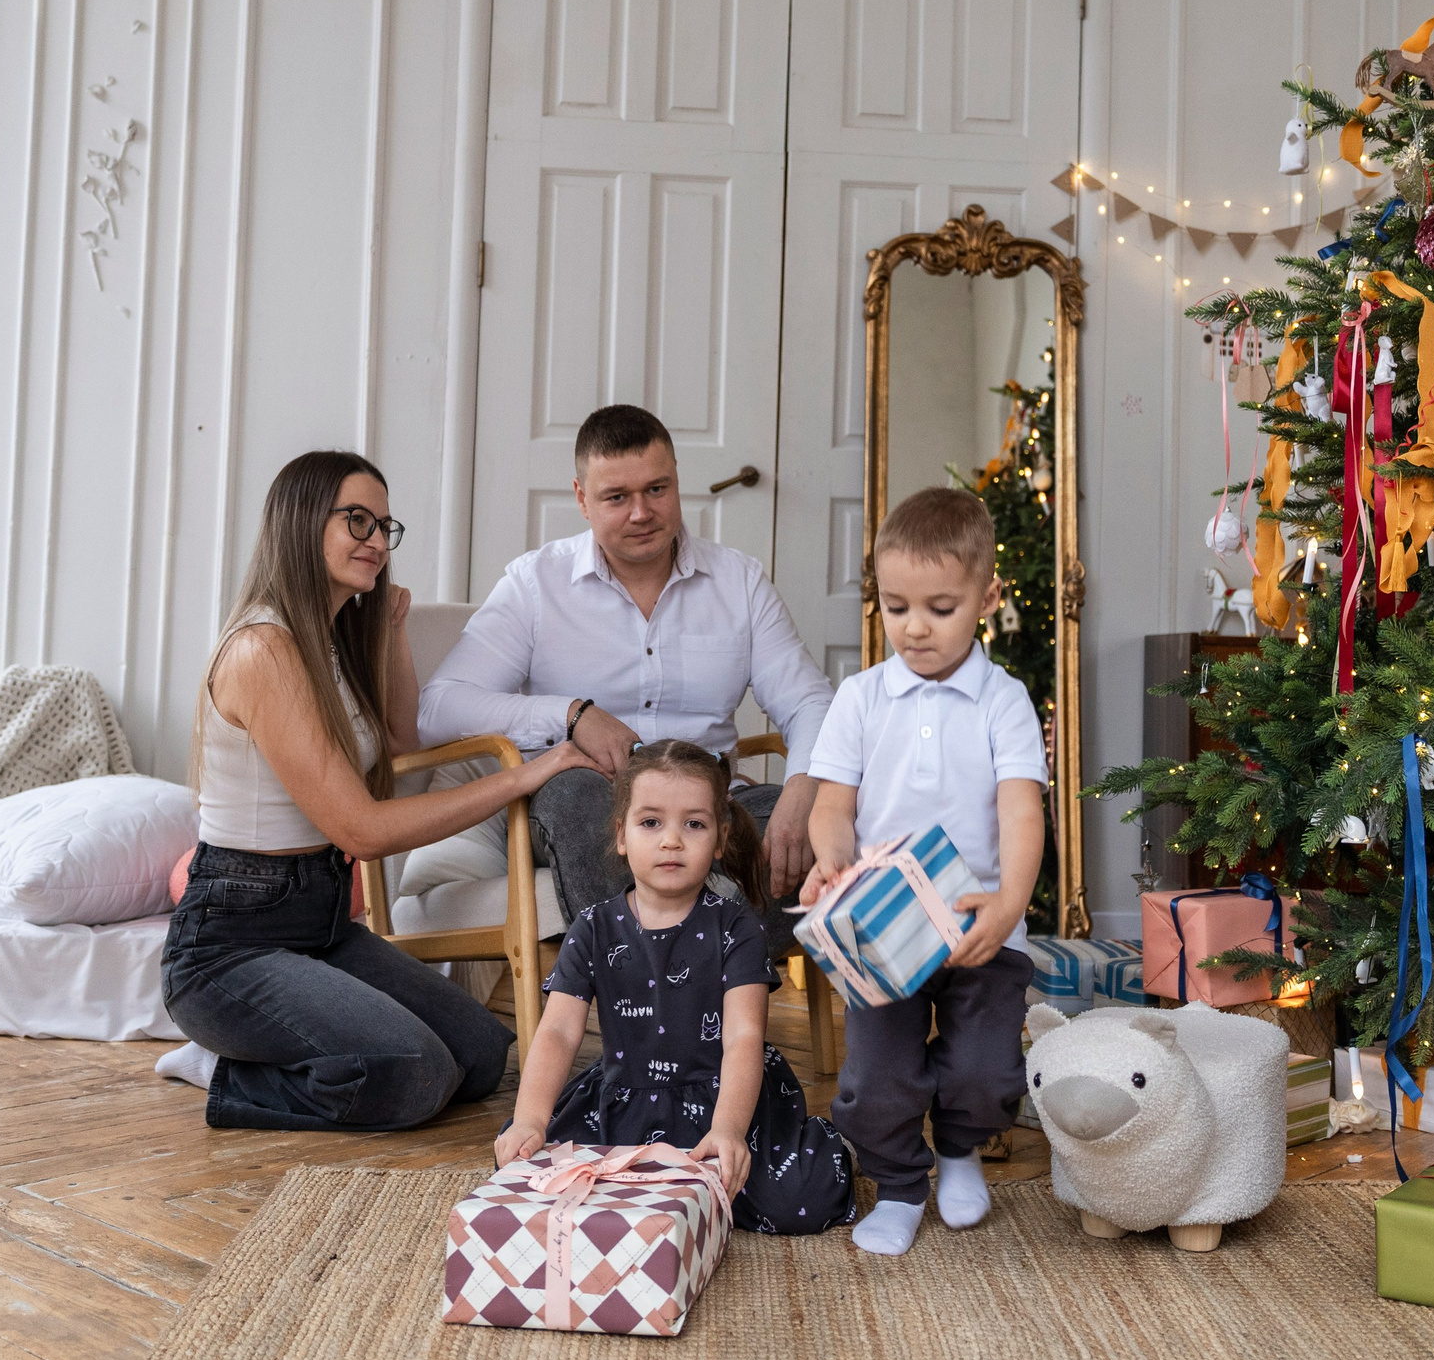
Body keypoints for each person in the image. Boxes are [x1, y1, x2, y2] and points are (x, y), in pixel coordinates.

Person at [158, 450, 604, 1131]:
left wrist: (391, 630)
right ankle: (223, 1067)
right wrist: (523, 775)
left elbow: (399, 743)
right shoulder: (264, 649)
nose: (376, 540)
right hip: (231, 943)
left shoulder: (329, 641)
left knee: (482, 1057)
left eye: (384, 526)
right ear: (303, 523)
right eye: (357, 520)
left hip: (320, 923)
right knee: (413, 1073)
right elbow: (362, 830)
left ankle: (283, 1046)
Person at [417, 405, 834, 943]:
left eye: (657, 489)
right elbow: (439, 707)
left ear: (677, 480)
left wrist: (803, 787)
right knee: (581, 804)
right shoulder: (535, 584)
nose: (641, 513)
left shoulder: (740, 582)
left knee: (820, 825)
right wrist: (571, 716)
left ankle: (661, 982)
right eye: (616, 497)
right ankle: (691, 978)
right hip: (588, 799)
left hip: (713, 802)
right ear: (581, 498)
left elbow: (810, 702)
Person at [798, 487, 1047, 1256]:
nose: (914, 626)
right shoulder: (860, 697)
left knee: (986, 1072)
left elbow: (1021, 811)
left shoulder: (1004, 701)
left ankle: (960, 1147)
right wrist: (831, 857)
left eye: (940, 607)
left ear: (987, 597)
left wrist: (1009, 904)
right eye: (896, 605)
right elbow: (832, 805)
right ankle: (901, 1183)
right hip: (885, 927)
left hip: (979, 922)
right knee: (875, 1078)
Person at [493, 740, 855, 1234]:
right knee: (531, 1167)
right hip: (622, 1101)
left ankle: (831, 1146)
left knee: (798, 1199)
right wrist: (530, 1119)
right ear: (621, 835)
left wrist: (729, 1130)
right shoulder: (593, 927)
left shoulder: (737, 928)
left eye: (694, 824)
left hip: (722, 1098)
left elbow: (743, 1037)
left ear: (720, 839)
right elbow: (557, 1032)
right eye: (650, 822)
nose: (671, 841)